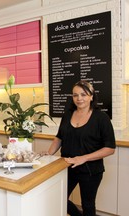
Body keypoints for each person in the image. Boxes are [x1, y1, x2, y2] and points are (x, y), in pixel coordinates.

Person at [46, 80, 116, 216]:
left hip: (90, 170)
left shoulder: (101, 118)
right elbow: (59, 137)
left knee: (88, 205)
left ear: (91, 96)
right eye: (75, 95)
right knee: (58, 198)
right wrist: (48, 154)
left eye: (83, 95)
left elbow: (110, 148)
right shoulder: (67, 115)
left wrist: (82, 158)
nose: (79, 99)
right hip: (66, 166)